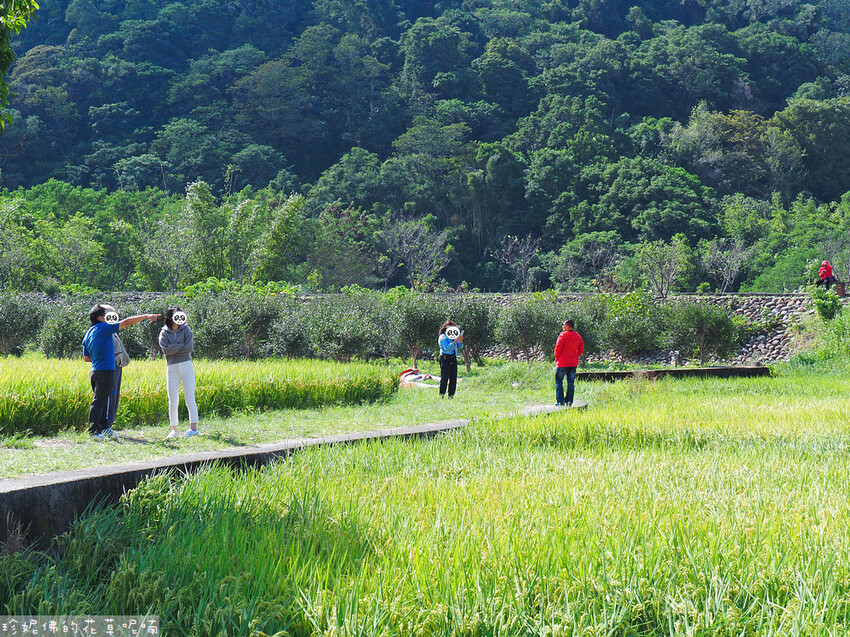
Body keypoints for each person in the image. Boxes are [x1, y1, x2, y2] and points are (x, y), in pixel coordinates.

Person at [83, 304, 159, 440]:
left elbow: (87, 358)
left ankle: (104, 429)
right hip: (106, 370)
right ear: (100, 318)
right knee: (100, 402)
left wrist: (104, 354)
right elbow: (127, 322)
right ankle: (94, 431)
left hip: (95, 371)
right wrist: (146, 316)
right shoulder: (104, 328)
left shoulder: (88, 333)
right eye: (106, 315)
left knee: (102, 401)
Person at [158, 306, 199, 438]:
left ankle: (193, 429)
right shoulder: (164, 333)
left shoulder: (186, 330)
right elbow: (166, 350)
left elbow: (189, 348)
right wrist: (181, 345)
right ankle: (174, 430)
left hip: (187, 365)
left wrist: (174, 348)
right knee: (173, 400)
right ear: (170, 318)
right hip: (172, 368)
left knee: (190, 398)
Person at [101, 305, 131, 431]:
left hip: (117, 367)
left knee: (114, 397)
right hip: (110, 367)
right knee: (109, 397)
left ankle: (109, 424)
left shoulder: (111, 331)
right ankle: (106, 425)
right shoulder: (104, 331)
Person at [554, 318, 584, 407]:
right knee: (571, 382)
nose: (563, 327)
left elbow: (558, 348)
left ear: (567, 326)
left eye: (564, 325)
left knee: (559, 381)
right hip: (573, 363)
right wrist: (575, 356)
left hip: (562, 363)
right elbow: (581, 349)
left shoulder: (563, 335)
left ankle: (560, 401)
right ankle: (569, 401)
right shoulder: (578, 336)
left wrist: (557, 358)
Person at [437, 320, 463, 398]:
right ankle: (442, 394)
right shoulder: (443, 337)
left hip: (453, 358)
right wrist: (455, 340)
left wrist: (460, 340)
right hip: (445, 358)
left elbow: (459, 346)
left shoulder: (454, 337)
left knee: (453, 377)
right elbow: (447, 348)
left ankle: (451, 395)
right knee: (444, 377)